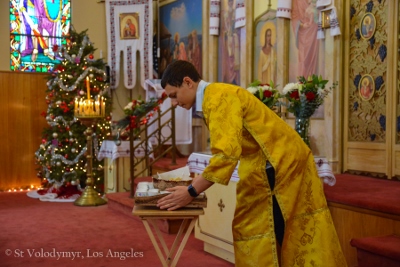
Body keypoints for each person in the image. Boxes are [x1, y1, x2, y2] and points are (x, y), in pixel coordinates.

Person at [157, 60, 347, 267]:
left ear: (188, 82)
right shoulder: (214, 96)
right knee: (251, 227)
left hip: (279, 163)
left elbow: (226, 156)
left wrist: (191, 192)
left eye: (174, 95)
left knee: (279, 229)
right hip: (263, 164)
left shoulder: (218, 97)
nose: (174, 103)